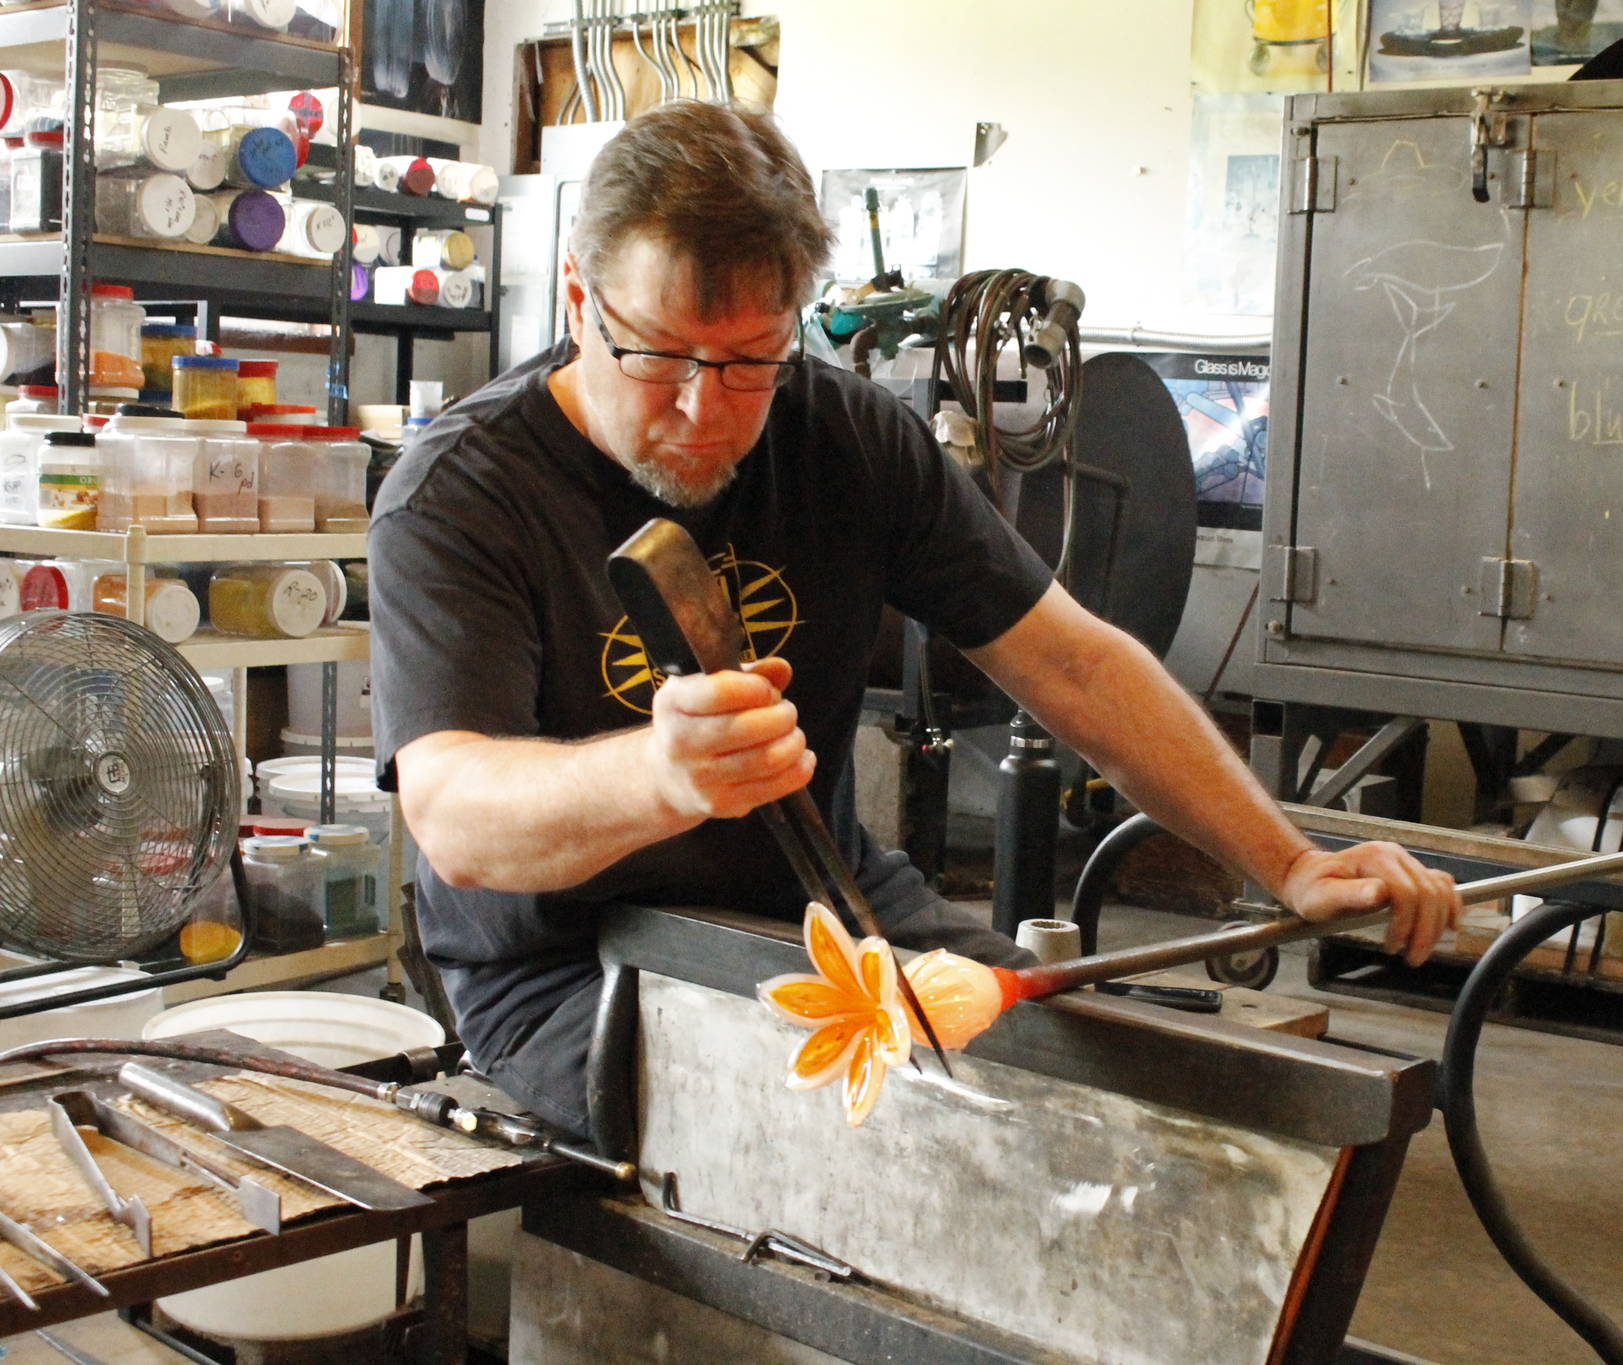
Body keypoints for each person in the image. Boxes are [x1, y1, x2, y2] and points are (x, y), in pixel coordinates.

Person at [370, 102, 1460, 1140]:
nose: (704, 410)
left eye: (751, 360)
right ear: (577, 300)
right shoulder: (463, 493)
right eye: (657, 354)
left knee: (1075, 1089)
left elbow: (1071, 664)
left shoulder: (848, 439)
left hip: (823, 908)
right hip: (564, 967)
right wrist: (657, 778)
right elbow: (456, 821)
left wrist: (1288, 860)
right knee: (866, 1137)